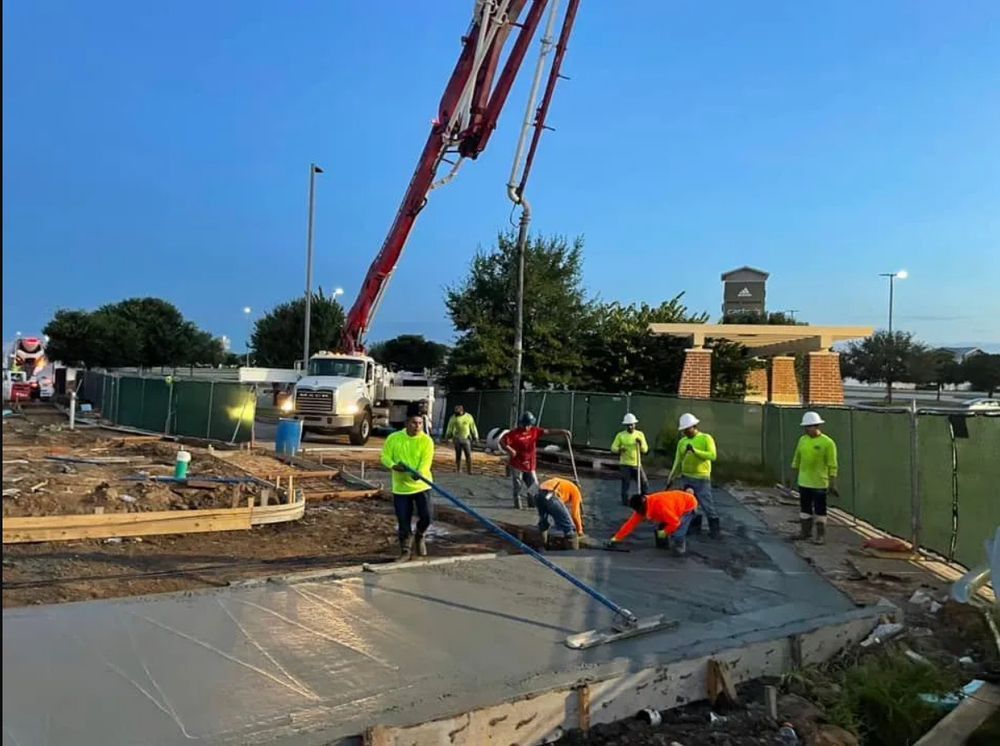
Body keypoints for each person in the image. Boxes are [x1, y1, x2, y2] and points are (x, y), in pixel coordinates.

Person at [380, 403, 435, 560]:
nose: (417, 426)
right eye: (414, 423)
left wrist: (420, 472)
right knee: (403, 520)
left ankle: (420, 534)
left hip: (421, 485)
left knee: (427, 517)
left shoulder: (426, 441)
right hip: (401, 488)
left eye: (420, 423)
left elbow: (426, 461)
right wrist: (393, 466)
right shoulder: (394, 438)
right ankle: (405, 550)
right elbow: (385, 457)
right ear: (406, 423)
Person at [499, 412, 572, 510]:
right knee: (518, 486)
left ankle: (532, 503)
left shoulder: (534, 431)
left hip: (530, 464)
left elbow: (548, 431)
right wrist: (510, 450)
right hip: (518, 464)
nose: (526, 427)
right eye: (525, 425)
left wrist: (562, 431)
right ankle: (517, 505)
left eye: (528, 425)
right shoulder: (514, 434)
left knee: (534, 485)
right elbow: (502, 441)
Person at [792, 411, 839, 545]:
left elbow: (832, 464)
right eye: (805, 427)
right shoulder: (803, 440)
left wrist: (832, 483)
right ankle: (805, 532)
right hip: (804, 481)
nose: (806, 429)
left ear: (816, 426)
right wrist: (793, 476)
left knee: (820, 510)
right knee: (805, 508)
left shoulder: (827, 443)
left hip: (819, 483)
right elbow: (796, 459)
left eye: (809, 426)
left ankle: (820, 535)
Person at [670, 413, 720, 538]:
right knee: (689, 505)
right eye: (683, 430)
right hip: (687, 477)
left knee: (707, 504)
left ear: (694, 426)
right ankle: (692, 527)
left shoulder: (705, 438)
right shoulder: (682, 442)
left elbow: (712, 456)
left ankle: (714, 530)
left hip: (702, 478)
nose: (685, 432)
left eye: (687, 429)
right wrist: (672, 475)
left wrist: (695, 451)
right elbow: (678, 460)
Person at [606, 489, 699, 556]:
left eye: (640, 511)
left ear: (643, 504)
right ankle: (664, 544)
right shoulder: (641, 509)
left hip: (688, 505)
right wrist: (616, 538)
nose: (639, 513)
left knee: (678, 532)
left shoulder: (660, 507)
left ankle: (680, 546)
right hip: (674, 507)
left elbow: (675, 523)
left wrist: (665, 532)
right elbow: (630, 524)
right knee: (663, 527)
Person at [611, 413, 649, 505]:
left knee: (644, 482)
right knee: (626, 483)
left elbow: (645, 450)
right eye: (628, 425)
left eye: (632, 425)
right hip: (625, 464)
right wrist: (620, 449)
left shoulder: (639, 435)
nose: (630, 427)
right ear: (626, 425)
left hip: (637, 464)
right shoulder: (621, 435)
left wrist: (641, 444)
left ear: (635, 424)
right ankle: (625, 501)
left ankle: (644, 499)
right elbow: (613, 448)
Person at [535, 478, 582, 550]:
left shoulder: (563, 483)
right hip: (551, 494)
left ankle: (542, 547)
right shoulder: (576, 491)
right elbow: (575, 514)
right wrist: (579, 530)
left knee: (543, 522)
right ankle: (573, 553)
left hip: (538, 494)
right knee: (569, 528)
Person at [445, 404, 479, 474]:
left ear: (461, 410)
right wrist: (447, 436)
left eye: (457, 412)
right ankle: (458, 469)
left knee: (468, 455)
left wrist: (476, 437)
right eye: (455, 411)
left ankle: (469, 470)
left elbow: (473, 427)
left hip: (466, 439)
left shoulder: (468, 417)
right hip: (456, 439)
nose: (456, 413)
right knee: (458, 454)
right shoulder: (453, 418)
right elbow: (449, 427)